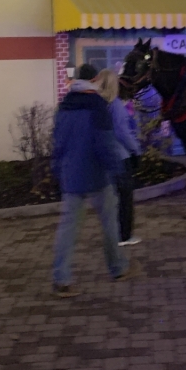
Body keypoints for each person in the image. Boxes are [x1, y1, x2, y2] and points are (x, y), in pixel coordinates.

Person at [50, 63, 137, 298]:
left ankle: (61, 278)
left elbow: (57, 143)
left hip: (71, 175)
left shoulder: (64, 106)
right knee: (109, 224)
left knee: (68, 228)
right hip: (98, 176)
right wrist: (118, 169)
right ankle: (117, 268)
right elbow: (105, 144)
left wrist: (57, 169)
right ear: (96, 79)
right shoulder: (98, 106)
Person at [95, 68, 142, 246]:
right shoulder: (115, 106)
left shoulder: (97, 105)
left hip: (103, 158)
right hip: (120, 157)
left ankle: (111, 234)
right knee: (125, 198)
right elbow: (123, 133)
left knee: (110, 199)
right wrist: (136, 151)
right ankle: (124, 236)